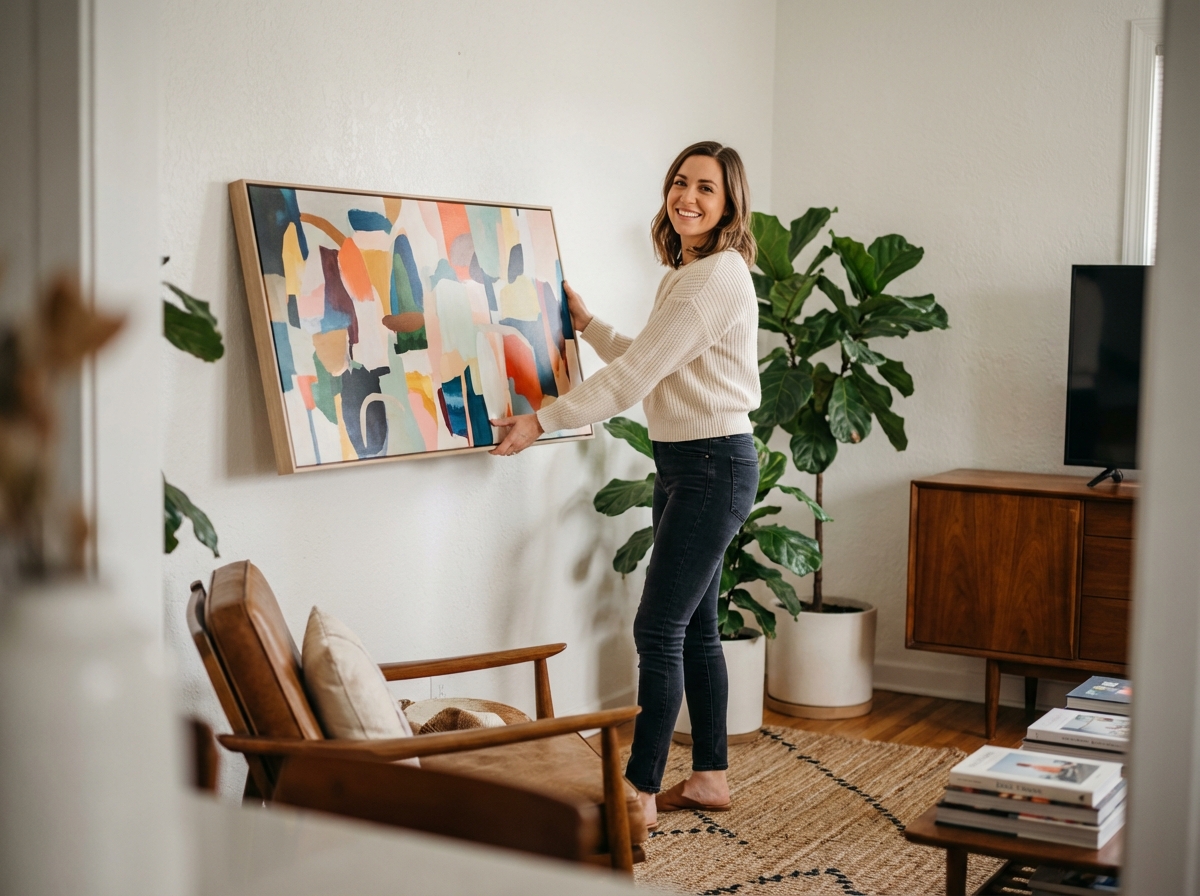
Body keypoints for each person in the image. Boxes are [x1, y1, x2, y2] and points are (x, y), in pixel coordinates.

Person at [489, 141, 761, 830]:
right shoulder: (688, 273)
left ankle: (638, 793)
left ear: (730, 203)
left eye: (705, 187)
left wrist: (541, 421)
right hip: (690, 465)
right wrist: (588, 326)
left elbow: (634, 380)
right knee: (695, 626)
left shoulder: (718, 275)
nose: (687, 197)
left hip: (712, 465)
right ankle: (708, 779)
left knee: (658, 627)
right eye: (679, 182)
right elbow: (653, 359)